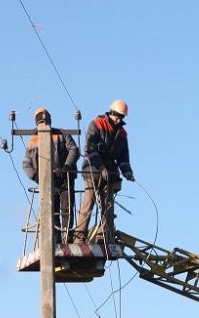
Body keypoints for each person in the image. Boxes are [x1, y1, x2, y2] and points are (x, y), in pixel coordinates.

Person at [74, 99, 134, 244]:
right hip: (92, 168)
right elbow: (89, 148)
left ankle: (103, 234)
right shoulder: (97, 124)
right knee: (89, 201)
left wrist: (127, 172)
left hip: (110, 172)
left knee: (108, 204)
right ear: (111, 112)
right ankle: (79, 235)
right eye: (118, 115)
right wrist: (100, 168)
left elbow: (123, 157)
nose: (119, 119)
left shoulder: (122, 134)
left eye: (122, 117)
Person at [22, 107, 79, 241]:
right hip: (47, 183)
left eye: (46, 122)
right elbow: (26, 164)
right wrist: (36, 177)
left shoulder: (62, 134)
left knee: (67, 209)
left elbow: (74, 150)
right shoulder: (32, 142)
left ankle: (67, 237)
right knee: (51, 212)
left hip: (65, 180)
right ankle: (56, 240)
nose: (45, 125)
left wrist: (66, 166)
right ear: (37, 124)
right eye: (42, 122)